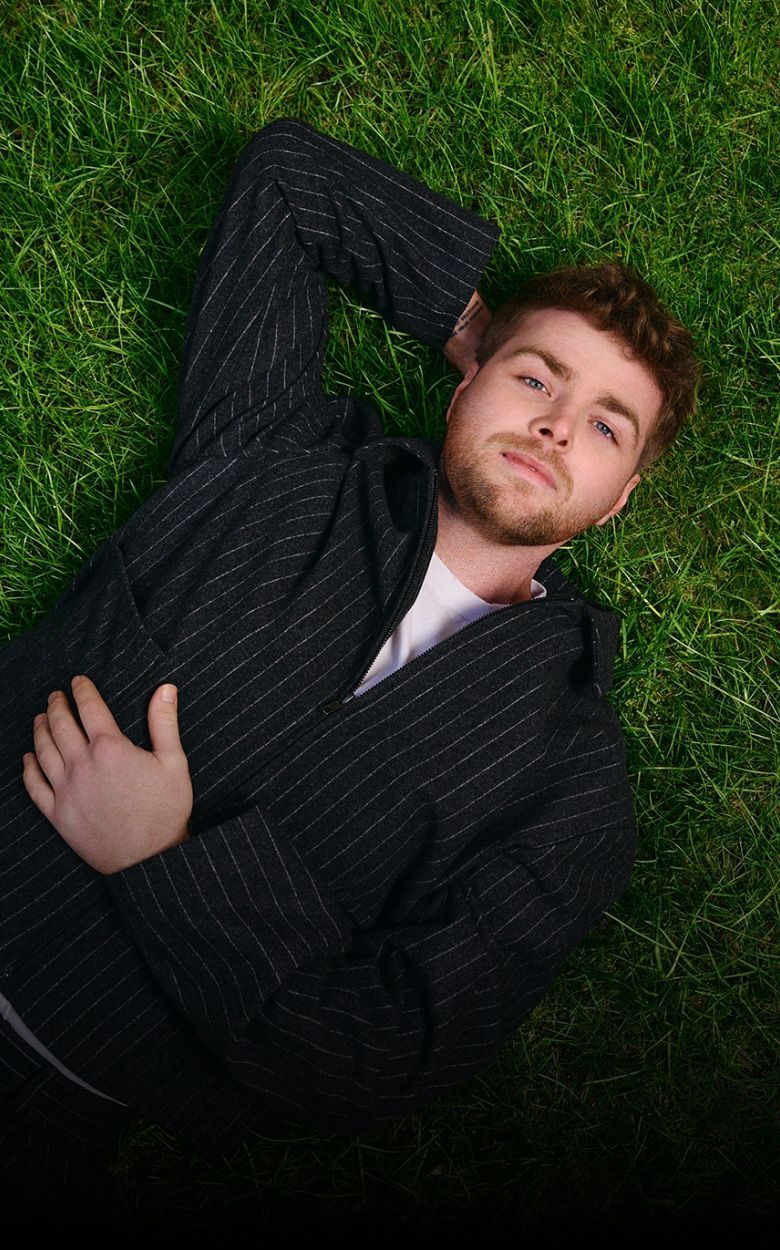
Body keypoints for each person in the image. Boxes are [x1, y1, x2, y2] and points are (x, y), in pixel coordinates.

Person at [0, 118, 698, 1216]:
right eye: (536, 378)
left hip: (42, 1110)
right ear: (464, 384)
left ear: (619, 502)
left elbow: (375, 1052)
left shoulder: (572, 791)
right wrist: (473, 324)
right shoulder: (276, 448)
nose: (557, 427)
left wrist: (165, 858)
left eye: (607, 428)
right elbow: (288, 180)